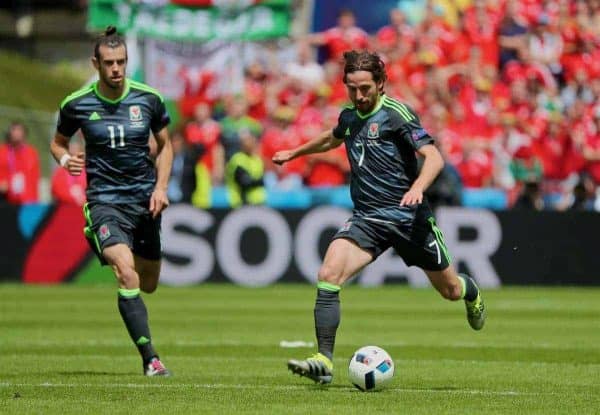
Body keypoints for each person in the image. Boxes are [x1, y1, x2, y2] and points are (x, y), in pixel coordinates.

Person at [273, 51, 486, 385]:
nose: (359, 96)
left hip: (408, 218)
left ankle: (469, 289)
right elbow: (333, 136)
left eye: (366, 89)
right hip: (368, 218)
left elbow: (433, 156)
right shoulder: (350, 116)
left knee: (450, 290)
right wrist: (295, 152)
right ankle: (324, 361)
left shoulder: (396, 114)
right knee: (328, 273)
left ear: (381, 84)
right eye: (353, 89)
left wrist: (418, 187)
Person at [49, 26, 173, 376]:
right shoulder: (76, 103)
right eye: (109, 63)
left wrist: (161, 187)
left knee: (147, 282)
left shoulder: (148, 99)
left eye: (121, 62)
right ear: (96, 63)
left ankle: (125, 249)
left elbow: (167, 146)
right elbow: (58, 142)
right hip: (104, 201)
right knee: (125, 272)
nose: (116, 68)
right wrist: (63, 160)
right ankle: (151, 359)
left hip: (144, 201)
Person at [0, 121, 40, 204]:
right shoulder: (2, 152)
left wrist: (34, 199)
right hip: (6, 198)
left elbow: (34, 178)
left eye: (19, 130)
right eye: (14, 130)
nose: (17, 133)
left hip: (27, 199)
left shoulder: (31, 153)